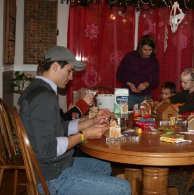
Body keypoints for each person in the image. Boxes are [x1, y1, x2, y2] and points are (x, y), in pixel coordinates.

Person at [18, 46, 131, 194]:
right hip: (52, 176)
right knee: (124, 188)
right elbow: (49, 148)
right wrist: (85, 135)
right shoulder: (43, 97)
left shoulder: (38, 89)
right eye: (69, 71)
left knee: (104, 166)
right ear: (55, 66)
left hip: (53, 165)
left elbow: (59, 127)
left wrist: (92, 121)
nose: (71, 77)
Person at [116, 34, 160, 110]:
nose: (147, 53)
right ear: (140, 48)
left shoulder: (154, 61)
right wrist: (129, 84)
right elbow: (119, 74)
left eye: (150, 50)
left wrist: (147, 84)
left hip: (145, 97)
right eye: (145, 49)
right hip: (127, 94)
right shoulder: (130, 57)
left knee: (146, 120)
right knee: (124, 117)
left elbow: (156, 81)